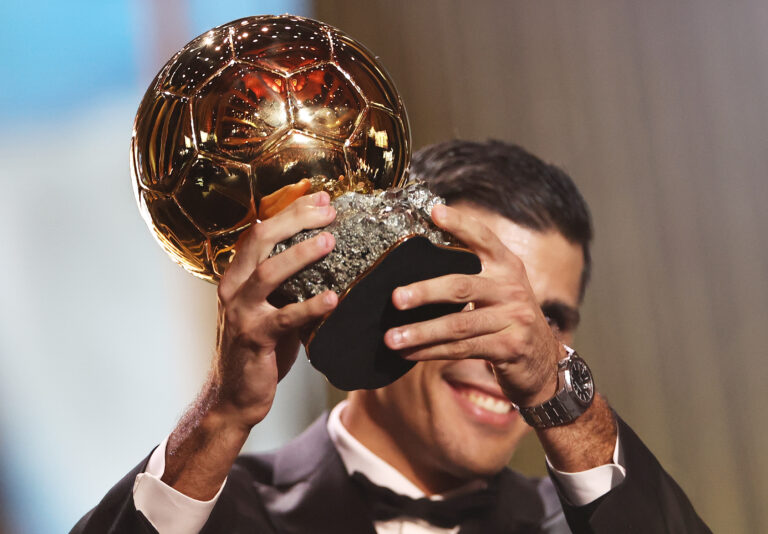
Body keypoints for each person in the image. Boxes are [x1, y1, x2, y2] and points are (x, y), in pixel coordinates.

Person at [72, 140, 710, 533]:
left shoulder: (586, 523)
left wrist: (554, 387)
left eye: (546, 322)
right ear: (376, 286)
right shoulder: (208, 512)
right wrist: (222, 416)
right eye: (472, 297)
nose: (504, 347)